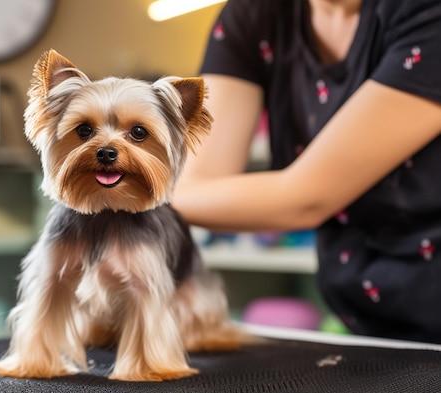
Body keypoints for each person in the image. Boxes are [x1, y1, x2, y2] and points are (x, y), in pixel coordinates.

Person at [173, 0, 441, 344]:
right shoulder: (254, 14)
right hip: (368, 321)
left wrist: (121, 195)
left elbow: (305, 198)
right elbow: (194, 179)